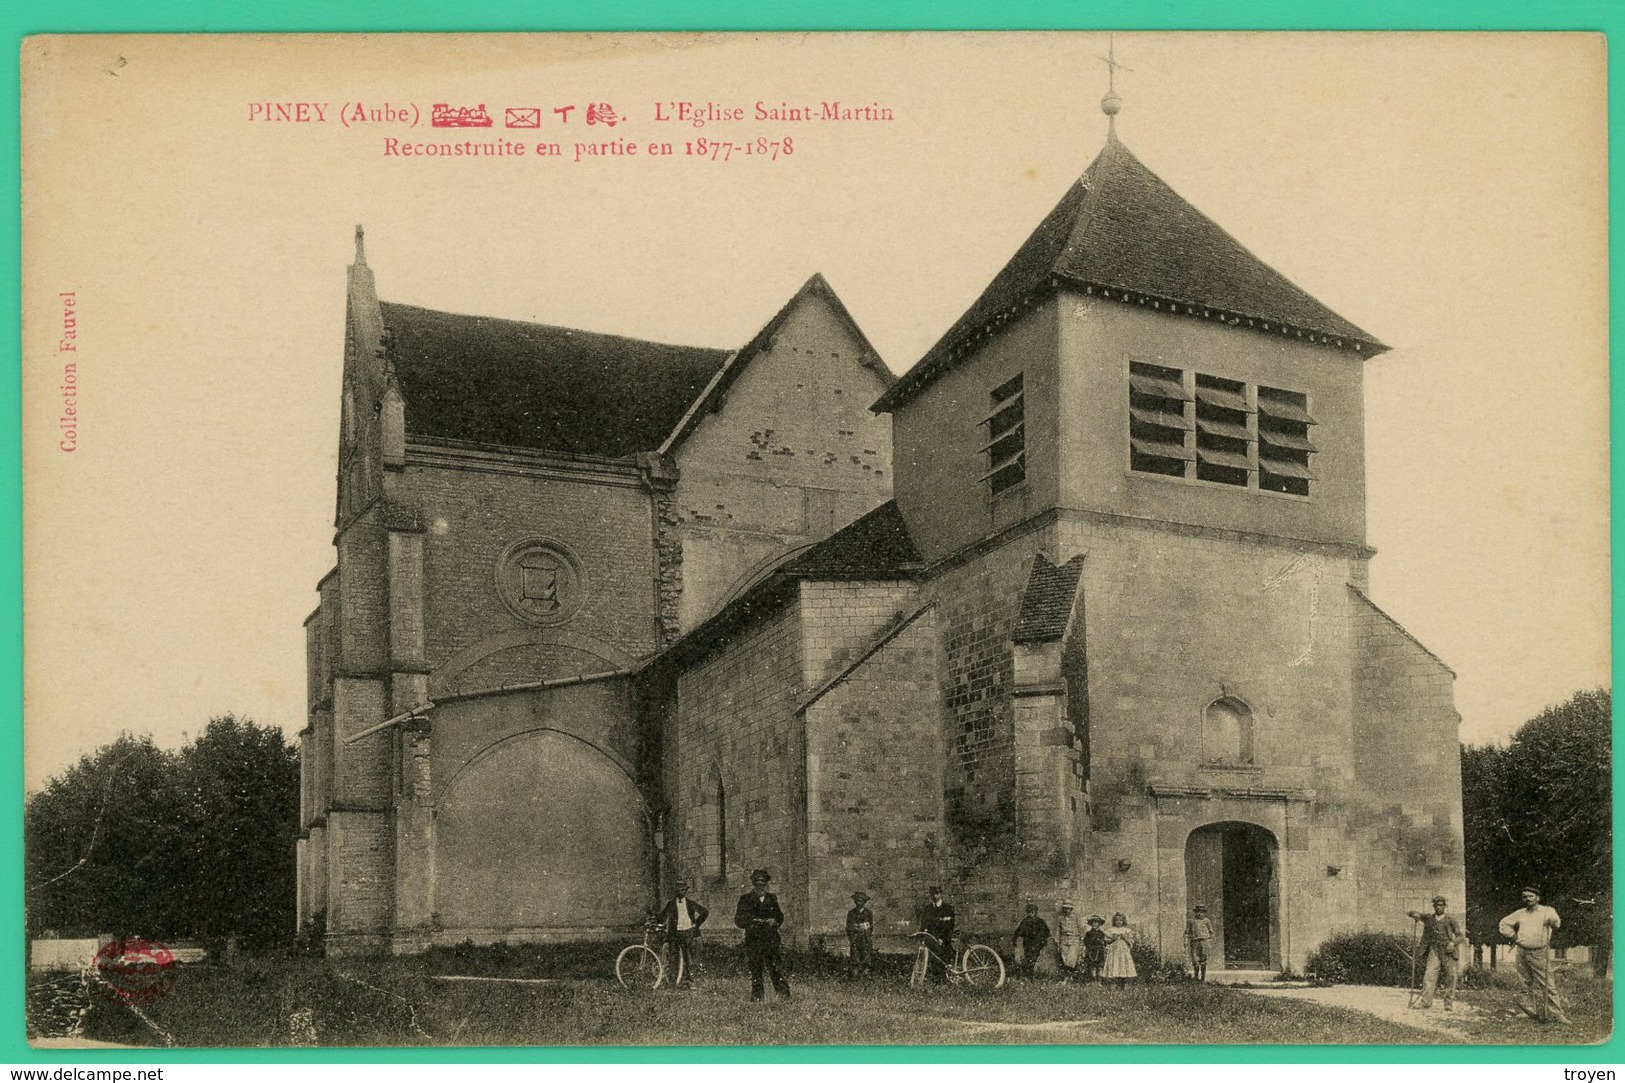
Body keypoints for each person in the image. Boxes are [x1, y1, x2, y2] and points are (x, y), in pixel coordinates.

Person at [1499, 887, 1569, 1024]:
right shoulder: (1520, 913)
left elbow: (1556, 923)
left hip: (1539, 952)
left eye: (1530, 896)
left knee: (1547, 983)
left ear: (1538, 898)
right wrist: (1513, 936)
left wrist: (1553, 921)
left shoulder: (1547, 911)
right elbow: (1504, 923)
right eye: (1524, 897)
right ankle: (1526, 1010)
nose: (1527, 899)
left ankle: (1557, 1014)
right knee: (1524, 982)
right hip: (1522, 951)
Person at [734, 868, 791, 1001]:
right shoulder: (745, 899)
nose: (760, 884)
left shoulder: (772, 898)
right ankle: (758, 997)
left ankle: (783, 995)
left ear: (766, 883)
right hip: (754, 939)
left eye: (762, 881)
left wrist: (775, 921)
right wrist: (753, 921)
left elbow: (779, 916)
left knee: (775, 967)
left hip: (771, 938)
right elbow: (738, 920)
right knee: (756, 969)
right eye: (757, 881)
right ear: (753, 883)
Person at [1405, 895, 1464, 1011]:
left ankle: (1448, 1004)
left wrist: (1452, 943)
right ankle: (1426, 1002)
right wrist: (1414, 914)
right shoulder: (1429, 918)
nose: (1438, 908)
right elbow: (1412, 913)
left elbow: (1460, 936)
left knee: (1451, 977)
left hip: (1448, 951)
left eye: (1441, 905)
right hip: (1434, 950)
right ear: (1434, 906)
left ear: (1445, 906)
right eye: (1436, 905)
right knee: (1429, 975)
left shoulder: (1450, 920)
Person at [658, 878, 709, 988]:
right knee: (673, 958)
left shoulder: (691, 904)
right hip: (675, 934)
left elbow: (705, 912)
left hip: (688, 933)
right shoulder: (670, 904)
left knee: (688, 958)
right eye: (678, 890)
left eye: (683, 890)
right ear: (675, 891)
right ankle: (672, 983)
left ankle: (689, 982)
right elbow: (662, 917)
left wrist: (696, 924)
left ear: (686, 891)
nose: (680, 892)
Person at [917, 886, 957, 984]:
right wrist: (920, 935)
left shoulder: (948, 908)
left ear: (941, 894)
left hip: (944, 937)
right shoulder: (927, 909)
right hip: (931, 937)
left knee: (942, 951)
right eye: (933, 894)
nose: (935, 896)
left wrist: (942, 938)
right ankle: (934, 977)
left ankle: (944, 976)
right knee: (931, 953)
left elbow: (949, 926)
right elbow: (923, 924)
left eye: (937, 893)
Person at [1012, 903, 1051, 979]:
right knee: (1028, 957)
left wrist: (1043, 941)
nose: (1030, 913)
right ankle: (1029, 975)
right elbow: (1017, 931)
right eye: (1029, 912)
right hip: (1027, 942)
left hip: (1037, 943)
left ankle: (1029, 974)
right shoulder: (1025, 921)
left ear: (1035, 912)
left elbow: (1046, 932)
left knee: (1033, 958)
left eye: (1032, 912)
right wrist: (1014, 939)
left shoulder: (1040, 921)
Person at [1103, 911, 1138, 988]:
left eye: (1120, 920)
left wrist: (1125, 938)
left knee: (1123, 964)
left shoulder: (1127, 930)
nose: (1118, 922)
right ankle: (1114, 983)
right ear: (1114, 921)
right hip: (1114, 951)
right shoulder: (1111, 930)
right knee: (1115, 964)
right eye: (1117, 920)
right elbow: (1107, 942)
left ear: (1123, 921)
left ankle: (1124, 983)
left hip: (1123, 951)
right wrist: (1113, 939)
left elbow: (1131, 943)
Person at [845, 891, 875, 979]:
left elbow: (871, 926)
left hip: (865, 937)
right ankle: (855, 972)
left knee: (866, 953)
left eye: (861, 900)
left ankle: (866, 972)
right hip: (855, 938)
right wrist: (854, 930)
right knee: (855, 954)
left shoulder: (868, 913)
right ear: (855, 902)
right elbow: (848, 926)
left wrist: (866, 929)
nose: (859, 902)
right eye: (857, 900)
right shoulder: (851, 913)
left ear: (864, 902)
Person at [1054, 901, 1085, 979]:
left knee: (1071, 959)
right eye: (1065, 908)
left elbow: (1081, 929)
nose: (1067, 910)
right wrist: (1057, 940)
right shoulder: (1061, 918)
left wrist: (1082, 940)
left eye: (1069, 909)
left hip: (1074, 939)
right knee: (1064, 958)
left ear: (1071, 909)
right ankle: (1070, 976)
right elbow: (1058, 929)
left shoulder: (1076, 917)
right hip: (1064, 939)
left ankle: (1067, 978)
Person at [1184, 905, 1215, 982]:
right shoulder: (1191, 921)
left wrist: (1211, 941)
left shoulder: (1207, 921)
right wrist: (1186, 941)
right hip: (1195, 941)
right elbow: (1187, 932)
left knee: (1204, 959)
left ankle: (1203, 978)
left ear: (1204, 913)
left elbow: (1211, 932)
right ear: (1195, 913)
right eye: (1198, 912)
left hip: (1205, 941)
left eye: (1202, 912)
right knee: (1195, 959)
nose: (1200, 914)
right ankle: (1196, 977)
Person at [1082, 914, 1108, 982]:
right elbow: (1085, 942)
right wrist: (1087, 949)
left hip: (1099, 951)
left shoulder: (1101, 933)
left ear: (1099, 924)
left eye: (1097, 922)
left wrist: (1103, 946)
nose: (1095, 924)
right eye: (1093, 922)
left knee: (1100, 966)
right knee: (1092, 966)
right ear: (1091, 924)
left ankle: (1100, 981)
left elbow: (1104, 942)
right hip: (1091, 951)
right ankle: (1094, 980)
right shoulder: (1088, 933)